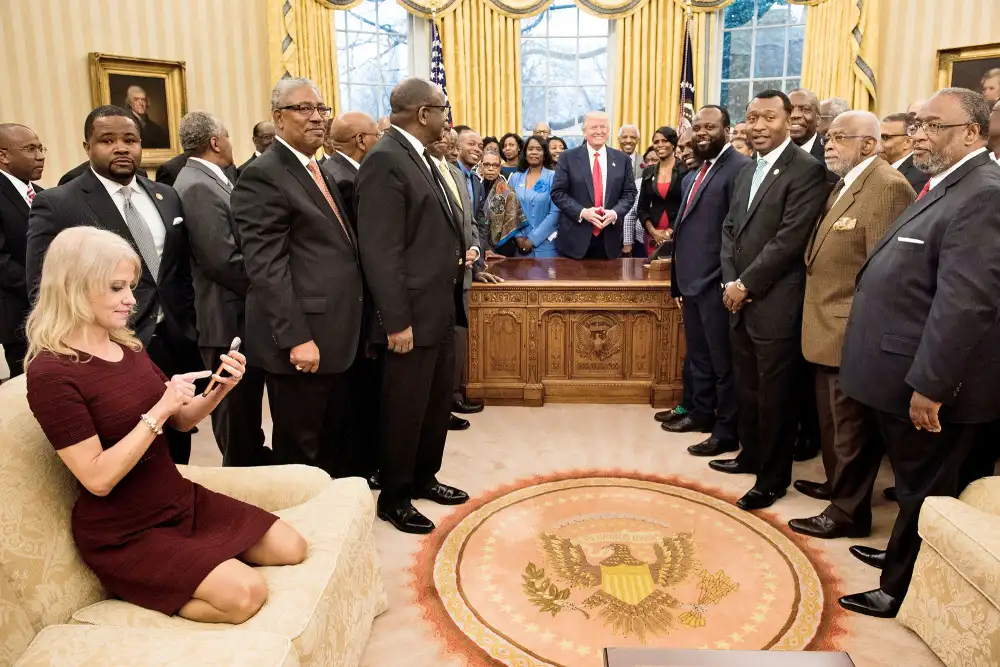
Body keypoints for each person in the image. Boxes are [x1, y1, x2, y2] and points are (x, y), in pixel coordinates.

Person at [25, 226, 306, 623]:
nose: (130, 300)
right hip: (123, 530)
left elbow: (182, 420)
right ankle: (144, 585)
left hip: (175, 499)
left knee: (292, 547)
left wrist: (220, 389)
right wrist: (158, 410)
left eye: (131, 287)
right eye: (117, 288)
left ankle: (193, 566)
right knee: (246, 596)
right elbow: (97, 478)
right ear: (75, 286)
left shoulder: (126, 344)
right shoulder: (52, 372)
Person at [838, 88, 1000, 618]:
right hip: (898, 365)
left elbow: (966, 303)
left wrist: (931, 384)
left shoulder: (984, 192)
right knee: (912, 482)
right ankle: (897, 554)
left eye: (934, 125)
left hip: (928, 383)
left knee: (923, 488)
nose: (919, 135)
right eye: (917, 124)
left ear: (972, 133)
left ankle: (899, 589)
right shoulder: (947, 182)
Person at [26, 105, 201, 464]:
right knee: (125, 449)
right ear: (87, 146)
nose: (121, 148)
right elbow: (43, 287)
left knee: (177, 440)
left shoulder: (166, 197)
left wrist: (191, 322)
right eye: (108, 140)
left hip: (175, 340)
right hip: (108, 349)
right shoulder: (59, 203)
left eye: (130, 140)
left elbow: (178, 271)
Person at [787, 111, 915, 540]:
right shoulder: (845, 183)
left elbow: (884, 274)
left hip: (849, 332)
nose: (829, 143)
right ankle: (838, 487)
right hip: (824, 325)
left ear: (868, 143)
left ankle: (847, 512)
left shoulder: (887, 187)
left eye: (840, 137)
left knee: (848, 430)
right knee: (834, 426)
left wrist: (862, 332)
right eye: (829, 136)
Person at [356, 78, 470, 535]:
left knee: (435, 400)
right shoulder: (385, 159)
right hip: (409, 316)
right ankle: (396, 495)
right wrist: (396, 321)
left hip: (438, 306)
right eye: (443, 109)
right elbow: (381, 251)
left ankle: (425, 476)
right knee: (405, 406)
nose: (448, 118)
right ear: (423, 113)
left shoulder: (421, 156)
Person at [231, 78, 363, 477]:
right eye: (304, 109)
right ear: (278, 118)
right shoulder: (264, 174)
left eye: (321, 109)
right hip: (302, 340)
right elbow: (267, 268)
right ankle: (298, 529)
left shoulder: (315, 169)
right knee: (300, 450)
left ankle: (329, 525)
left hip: (336, 333)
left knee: (331, 442)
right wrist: (297, 338)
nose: (317, 118)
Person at [713, 89, 829, 510]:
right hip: (738, 298)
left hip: (776, 302)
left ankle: (773, 479)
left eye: (768, 118)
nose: (759, 126)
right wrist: (730, 281)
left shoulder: (806, 170)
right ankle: (751, 455)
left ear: (787, 120)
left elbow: (789, 239)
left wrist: (744, 285)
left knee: (776, 396)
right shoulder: (747, 168)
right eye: (752, 118)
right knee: (747, 388)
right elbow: (729, 229)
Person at [172, 112, 268, 468]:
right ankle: (241, 476)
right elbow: (221, 259)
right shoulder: (197, 183)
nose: (230, 143)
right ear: (215, 142)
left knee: (244, 407)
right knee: (233, 409)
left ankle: (252, 460)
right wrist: (267, 288)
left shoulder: (210, 178)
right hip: (225, 316)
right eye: (227, 136)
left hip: (236, 312)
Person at [665, 106, 750, 459]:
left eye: (710, 127)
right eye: (696, 126)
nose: (701, 133)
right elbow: (684, 232)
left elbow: (738, 235)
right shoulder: (693, 174)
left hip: (717, 285)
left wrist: (727, 281)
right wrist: (677, 283)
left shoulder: (740, 170)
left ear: (727, 130)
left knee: (723, 363)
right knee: (699, 358)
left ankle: (726, 430)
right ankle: (700, 414)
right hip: (691, 283)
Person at [426, 130, 482, 431]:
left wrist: (474, 248)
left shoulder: (457, 175)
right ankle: (440, 405)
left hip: (464, 273)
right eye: (442, 136)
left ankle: (452, 397)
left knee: (456, 341)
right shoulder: (423, 172)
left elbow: (469, 221)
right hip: (435, 276)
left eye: (449, 137)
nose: (446, 141)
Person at [551, 111, 637, 260]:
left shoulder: (623, 160)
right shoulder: (567, 157)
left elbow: (629, 194)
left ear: (609, 131)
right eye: (593, 127)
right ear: (584, 132)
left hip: (609, 240)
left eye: (603, 127)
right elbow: (558, 193)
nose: (599, 131)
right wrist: (583, 212)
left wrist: (615, 213)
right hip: (574, 240)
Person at [0, 124, 45, 378]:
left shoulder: (40, 194)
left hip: (48, 312)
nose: (40, 156)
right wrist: (42, 288)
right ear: (3, 156)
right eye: (30, 149)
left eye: (40, 148)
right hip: (18, 314)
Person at [321, 111, 380, 224]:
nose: (381, 141)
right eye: (378, 135)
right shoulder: (346, 183)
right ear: (361, 140)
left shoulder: (328, 167)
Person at [508, 135, 561, 258]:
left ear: (545, 153)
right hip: (519, 248)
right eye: (530, 149)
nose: (534, 152)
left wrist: (532, 240)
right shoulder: (515, 178)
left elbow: (555, 213)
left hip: (547, 247)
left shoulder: (553, 177)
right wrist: (518, 238)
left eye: (538, 149)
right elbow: (510, 211)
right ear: (525, 153)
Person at [636, 126, 684, 258]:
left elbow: (685, 206)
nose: (660, 145)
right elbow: (641, 208)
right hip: (652, 235)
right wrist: (653, 232)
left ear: (673, 144)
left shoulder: (685, 169)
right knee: (651, 274)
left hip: (678, 233)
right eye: (656, 142)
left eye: (664, 141)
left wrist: (669, 232)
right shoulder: (648, 172)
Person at [478, 149, 526, 256]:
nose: (491, 168)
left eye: (495, 165)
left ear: (499, 168)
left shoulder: (508, 191)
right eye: (487, 165)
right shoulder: (474, 187)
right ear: (481, 166)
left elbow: (513, 219)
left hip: (504, 246)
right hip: (478, 244)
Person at [789, 88, 838, 185]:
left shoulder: (834, 152)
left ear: (818, 119)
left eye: (804, 109)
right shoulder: (770, 151)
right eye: (789, 110)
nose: (795, 115)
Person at [879, 112, 931, 192]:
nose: (878, 143)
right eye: (877, 137)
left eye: (885, 137)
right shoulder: (879, 168)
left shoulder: (919, 177)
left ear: (908, 142)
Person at [123, 85, 170, 149]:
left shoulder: (156, 128)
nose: (141, 103)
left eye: (143, 100)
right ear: (130, 103)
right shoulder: (124, 125)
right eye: (136, 99)